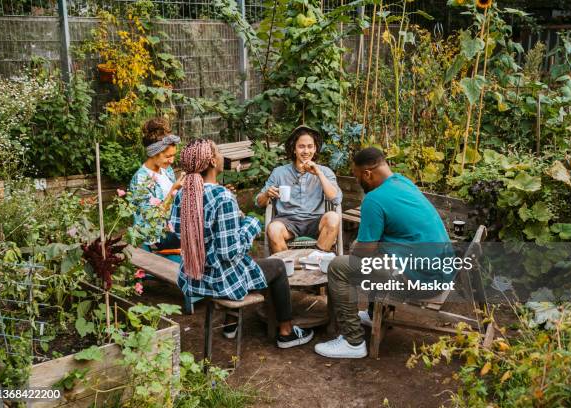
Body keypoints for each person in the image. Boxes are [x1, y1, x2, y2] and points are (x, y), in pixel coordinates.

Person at [170, 139, 314, 348]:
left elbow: (177, 230)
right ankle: (286, 332)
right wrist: (250, 224)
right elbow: (230, 252)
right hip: (219, 280)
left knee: (253, 263)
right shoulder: (222, 197)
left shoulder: (183, 193)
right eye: (218, 152)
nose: (221, 156)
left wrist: (230, 223)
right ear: (212, 161)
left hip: (193, 277)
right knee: (277, 267)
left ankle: (230, 325)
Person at [314, 147, 453, 359]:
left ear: (367, 173)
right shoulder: (402, 181)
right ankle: (371, 315)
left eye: (357, 175)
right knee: (380, 252)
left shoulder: (374, 199)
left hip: (423, 281)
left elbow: (364, 252)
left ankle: (353, 342)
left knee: (339, 267)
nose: (358, 180)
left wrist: (357, 248)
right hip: (441, 269)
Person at [255, 125, 343, 254]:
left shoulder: (324, 171)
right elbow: (258, 202)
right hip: (287, 222)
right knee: (273, 229)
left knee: (333, 218)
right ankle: (287, 266)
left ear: (315, 149)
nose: (306, 151)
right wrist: (267, 194)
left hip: (316, 221)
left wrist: (318, 173)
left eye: (310, 146)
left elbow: (336, 199)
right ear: (294, 149)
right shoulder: (279, 173)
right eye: (301, 146)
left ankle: (316, 259)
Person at [129, 117, 185, 252]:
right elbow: (149, 222)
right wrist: (173, 190)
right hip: (158, 236)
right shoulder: (142, 179)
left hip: (173, 225)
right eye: (167, 156)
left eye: (173, 155)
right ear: (153, 153)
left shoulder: (167, 170)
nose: (172, 161)